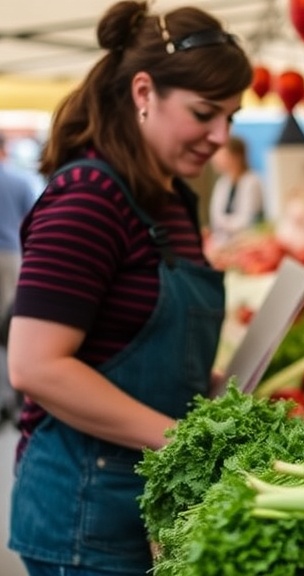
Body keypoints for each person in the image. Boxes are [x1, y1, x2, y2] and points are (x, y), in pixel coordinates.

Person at [5, 2, 252, 575]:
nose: (220, 136)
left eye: (231, 118)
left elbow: (125, 341)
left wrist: (210, 389)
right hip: (83, 514)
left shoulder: (169, 199)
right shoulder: (90, 199)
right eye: (204, 113)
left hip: (141, 501)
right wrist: (185, 441)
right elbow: (36, 367)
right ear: (145, 92)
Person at [0, 133, 38, 426]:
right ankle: (10, 400)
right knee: (8, 329)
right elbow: (32, 220)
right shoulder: (19, 180)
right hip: (10, 257)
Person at [0, 133, 37, 317]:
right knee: (7, 306)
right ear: (4, 150)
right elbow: (32, 219)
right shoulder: (21, 182)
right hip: (10, 251)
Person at [206, 135, 264, 252]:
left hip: (246, 243)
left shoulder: (252, 182)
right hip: (222, 243)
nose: (216, 158)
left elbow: (247, 220)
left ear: (237, 157)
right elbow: (215, 217)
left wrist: (225, 224)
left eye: (222, 154)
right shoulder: (223, 183)